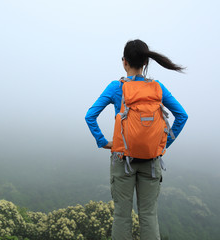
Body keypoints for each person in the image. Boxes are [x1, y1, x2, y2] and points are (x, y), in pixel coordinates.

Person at [85, 39, 188, 240]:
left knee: (122, 215)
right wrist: (162, 144)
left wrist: (104, 142)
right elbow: (182, 115)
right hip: (151, 161)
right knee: (149, 215)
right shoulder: (157, 88)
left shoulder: (116, 87)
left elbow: (90, 116)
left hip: (122, 158)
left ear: (124, 62)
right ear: (145, 63)